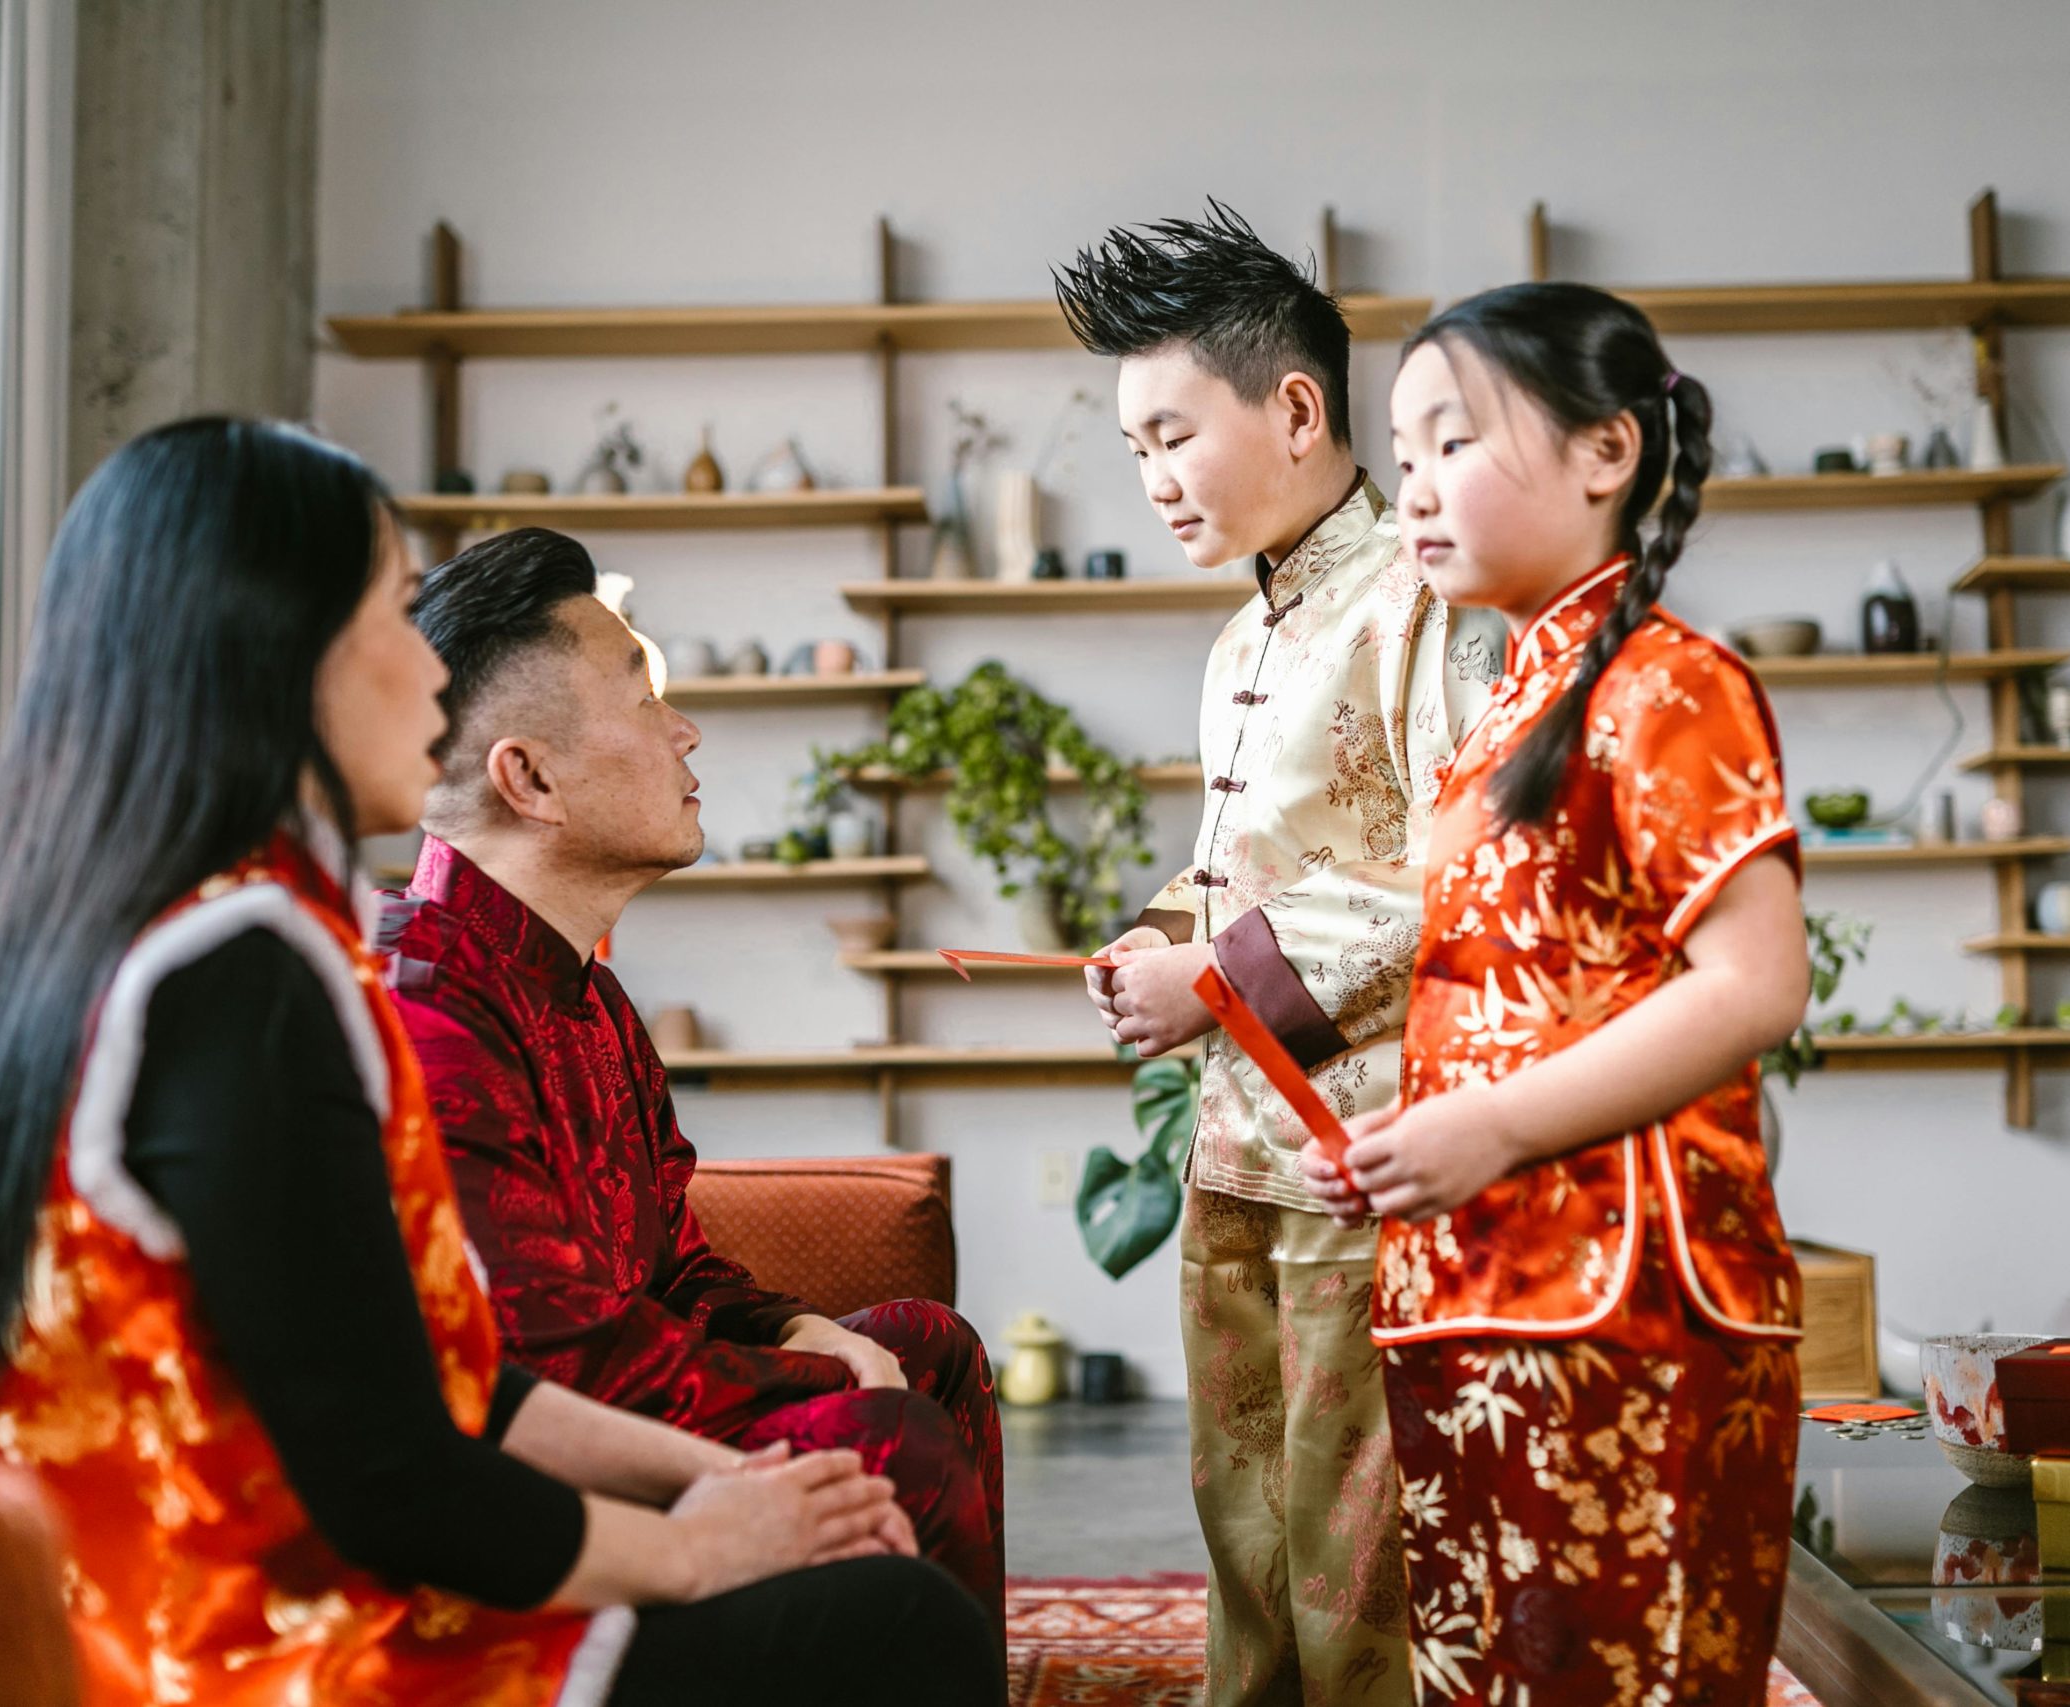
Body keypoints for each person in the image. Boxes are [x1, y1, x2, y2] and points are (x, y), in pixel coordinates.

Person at [0, 417, 1001, 1707]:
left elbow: (445, 1386)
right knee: (892, 1625)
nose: (430, 677)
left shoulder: (215, 933)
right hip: (219, 1641)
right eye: (392, 614)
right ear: (278, 656)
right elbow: (385, 1473)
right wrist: (686, 1547)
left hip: (284, 1577)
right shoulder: (240, 968)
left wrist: (719, 1484)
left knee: (870, 1527)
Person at [1305, 284, 1808, 1705]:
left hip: (1627, 1308)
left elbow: (1756, 982)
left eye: (1454, 442)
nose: (1414, 491)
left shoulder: (1669, 683)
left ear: (1605, 454)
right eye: (1401, 457)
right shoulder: (1519, 702)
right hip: (1477, 1289)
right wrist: (1421, 1146)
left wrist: (1500, 1126)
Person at [379, 526, 1003, 1631]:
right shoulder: (428, 1013)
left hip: (620, 1401)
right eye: (643, 700)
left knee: (927, 1350)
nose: (685, 732)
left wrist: (794, 1334)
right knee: (883, 1433)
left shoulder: (589, 998)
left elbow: (669, 1267)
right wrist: (824, 1386)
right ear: (529, 778)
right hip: (524, 1484)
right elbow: (549, 1369)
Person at [1051, 202, 1505, 1707]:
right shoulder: (1242, 642)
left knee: (1355, 1522)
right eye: (1135, 449)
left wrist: (1223, 972)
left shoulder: (1427, 594)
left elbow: (1461, 861)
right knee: (1239, 1504)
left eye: (1171, 434)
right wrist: (1162, 936)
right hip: (1237, 1137)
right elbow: (1239, 861)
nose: (1154, 478)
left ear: (1296, 406)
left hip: (1366, 1137)